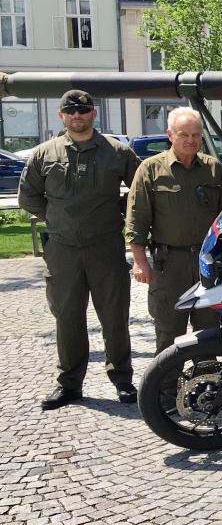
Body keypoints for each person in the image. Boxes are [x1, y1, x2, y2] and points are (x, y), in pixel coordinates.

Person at [18, 89, 141, 410]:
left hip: (106, 248)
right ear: (61, 116)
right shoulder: (44, 153)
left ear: (93, 115)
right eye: (70, 112)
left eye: (83, 111)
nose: (77, 116)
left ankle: (123, 380)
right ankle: (69, 384)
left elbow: (140, 191)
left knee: (114, 317)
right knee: (68, 318)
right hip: (62, 251)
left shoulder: (117, 152)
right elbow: (28, 196)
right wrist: (58, 218)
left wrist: (117, 210)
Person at [126, 107, 222, 353]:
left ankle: (205, 386)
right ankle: (165, 391)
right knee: (168, 332)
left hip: (207, 263)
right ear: (170, 135)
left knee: (208, 331)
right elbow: (136, 219)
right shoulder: (151, 169)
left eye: (196, 134)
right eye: (183, 134)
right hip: (169, 263)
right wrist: (140, 261)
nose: (191, 140)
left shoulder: (213, 168)